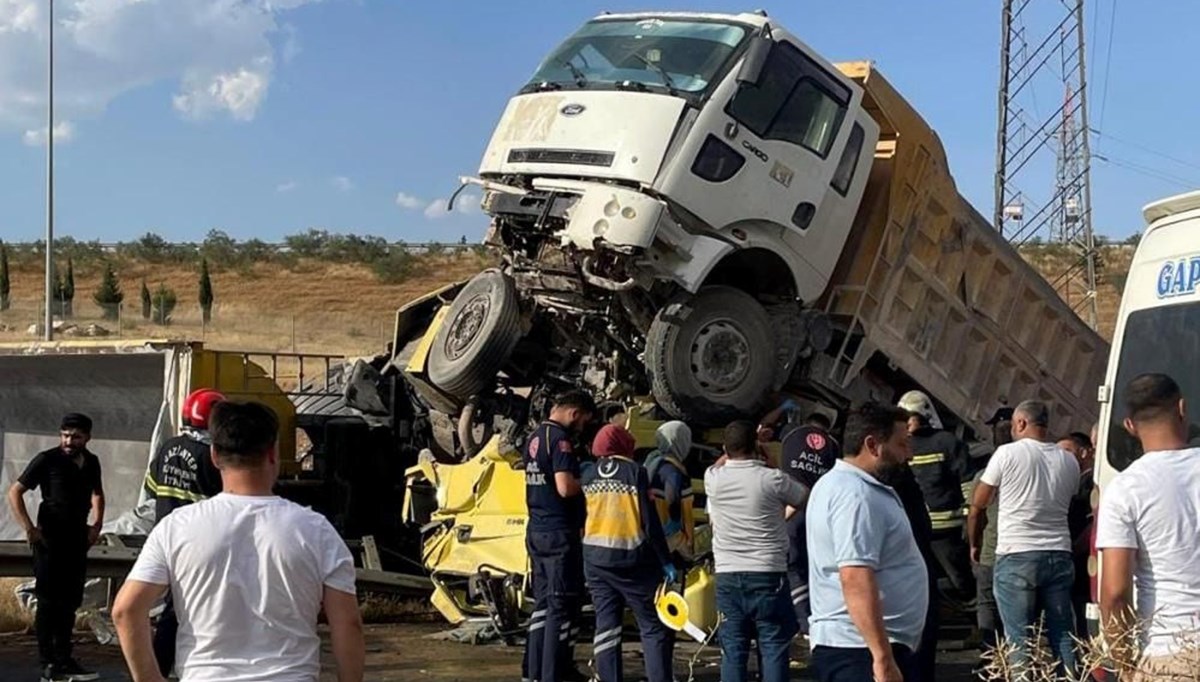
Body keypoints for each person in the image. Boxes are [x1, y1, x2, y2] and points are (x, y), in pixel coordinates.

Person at [112, 401, 364, 681]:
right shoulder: (316, 530)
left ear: (214, 455)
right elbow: (348, 624)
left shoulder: (176, 527)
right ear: (272, 454)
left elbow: (126, 611)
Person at [806, 402, 926, 682]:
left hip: (863, 647)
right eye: (901, 445)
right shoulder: (856, 496)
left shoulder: (844, 485)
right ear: (872, 445)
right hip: (860, 652)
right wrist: (882, 658)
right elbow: (855, 577)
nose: (908, 455)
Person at [1097, 374, 1200, 679]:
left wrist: (1125, 663)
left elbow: (1115, 592)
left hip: (1169, 652)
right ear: (1182, 408)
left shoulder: (1125, 489)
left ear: (1129, 425)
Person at [969, 400, 1080, 675]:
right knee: (1063, 634)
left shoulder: (1006, 454)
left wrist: (974, 542)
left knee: (1019, 640)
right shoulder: (1068, 460)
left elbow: (979, 502)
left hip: (1016, 555)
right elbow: (1071, 500)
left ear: (1020, 423)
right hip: (1059, 554)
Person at [704, 420, 808, 682]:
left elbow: (720, 463)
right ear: (755, 445)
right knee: (773, 643)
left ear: (726, 448)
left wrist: (736, 449)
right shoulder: (772, 479)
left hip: (728, 574)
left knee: (734, 649)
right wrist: (769, 457)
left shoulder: (713, 480)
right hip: (768, 573)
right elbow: (803, 496)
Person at [6, 413, 105, 682]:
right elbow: (15, 491)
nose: (69, 441)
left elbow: (97, 493)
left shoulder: (91, 462)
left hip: (77, 539)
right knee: (49, 602)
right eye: (65, 436)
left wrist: (97, 525)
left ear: (87, 437)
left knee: (69, 601)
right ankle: (48, 662)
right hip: (49, 539)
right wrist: (28, 528)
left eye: (76, 437)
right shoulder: (47, 460)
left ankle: (64, 658)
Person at [143, 387, 226, 677]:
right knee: (185, 612)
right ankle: (164, 668)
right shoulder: (212, 458)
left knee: (175, 607)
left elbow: (152, 489)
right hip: (200, 542)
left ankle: (162, 668)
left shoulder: (168, 447)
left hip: (165, 537)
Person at [582, 424, 675, 682]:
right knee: (652, 626)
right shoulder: (636, 472)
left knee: (607, 626)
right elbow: (650, 523)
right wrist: (665, 560)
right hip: (632, 562)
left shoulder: (588, 474)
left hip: (595, 561)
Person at [521, 389, 596, 682]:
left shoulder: (534, 437)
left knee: (541, 607)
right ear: (575, 413)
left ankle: (533, 671)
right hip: (558, 534)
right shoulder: (561, 441)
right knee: (560, 607)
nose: (582, 428)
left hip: (537, 529)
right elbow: (565, 487)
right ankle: (554, 673)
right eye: (583, 421)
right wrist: (588, 480)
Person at [897, 390, 974, 603]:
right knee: (920, 580)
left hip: (946, 529)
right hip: (915, 527)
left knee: (961, 580)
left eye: (909, 417)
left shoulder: (946, 443)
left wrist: (969, 517)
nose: (906, 423)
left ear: (923, 417)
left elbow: (967, 480)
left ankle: (976, 622)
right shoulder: (901, 445)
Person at [970, 406, 1012, 672]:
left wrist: (973, 543)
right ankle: (1016, 660)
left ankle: (990, 661)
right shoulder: (1043, 466)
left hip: (992, 550)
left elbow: (975, 513)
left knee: (987, 604)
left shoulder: (985, 474)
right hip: (1024, 551)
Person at [1057, 430, 1096, 638]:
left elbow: (1093, 524)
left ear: (1083, 453)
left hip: (1083, 559)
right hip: (1075, 558)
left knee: (1084, 613)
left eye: (1066, 451)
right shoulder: (1071, 483)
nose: (1060, 458)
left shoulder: (1090, 483)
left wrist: (1075, 548)